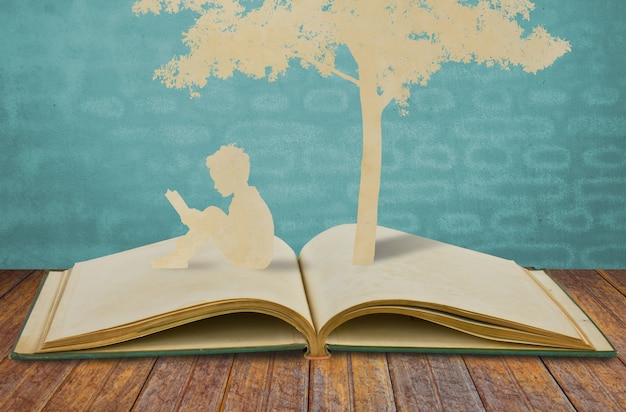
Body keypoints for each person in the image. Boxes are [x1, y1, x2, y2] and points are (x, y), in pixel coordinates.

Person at [152, 144, 274, 270]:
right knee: (211, 215)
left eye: (218, 180)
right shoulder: (247, 198)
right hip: (258, 258)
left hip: (251, 259)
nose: (216, 186)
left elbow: (225, 228)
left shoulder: (246, 203)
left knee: (212, 214)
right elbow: (231, 228)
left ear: (232, 177)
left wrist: (199, 220)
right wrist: (199, 220)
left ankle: (180, 256)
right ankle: (180, 255)